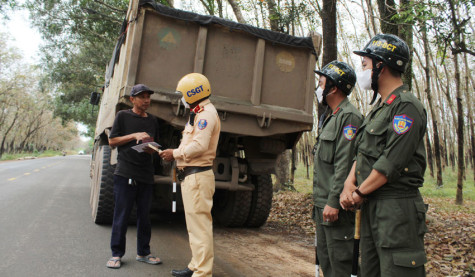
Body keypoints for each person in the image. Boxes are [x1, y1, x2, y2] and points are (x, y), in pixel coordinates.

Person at [339, 34, 428, 276]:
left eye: (365, 64)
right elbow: (362, 153)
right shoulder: (379, 109)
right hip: (371, 204)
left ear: (382, 66)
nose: (362, 71)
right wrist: (349, 182)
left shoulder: (407, 106)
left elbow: (391, 162)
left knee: (396, 270)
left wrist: (358, 192)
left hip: (396, 208)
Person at [160, 73, 221, 277]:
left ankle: (202, 272)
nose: (182, 99)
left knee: (200, 227)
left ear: (193, 93)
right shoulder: (197, 113)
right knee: (194, 227)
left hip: (198, 175)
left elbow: (199, 145)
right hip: (192, 176)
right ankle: (196, 265)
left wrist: (174, 153)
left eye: (183, 94)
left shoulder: (205, 114)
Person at [313, 61, 363, 276]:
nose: (318, 87)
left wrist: (333, 202)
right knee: (327, 262)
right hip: (322, 204)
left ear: (333, 87)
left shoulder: (349, 117)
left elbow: (344, 164)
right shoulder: (329, 116)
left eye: (321, 82)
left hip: (335, 208)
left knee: (340, 265)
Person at [106, 84, 162, 269]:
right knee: (121, 215)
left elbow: (153, 144)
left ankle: (144, 252)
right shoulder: (123, 116)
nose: (146, 100)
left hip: (145, 173)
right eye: (142, 96)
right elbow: (112, 141)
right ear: (132, 99)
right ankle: (116, 254)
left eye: (148, 96)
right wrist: (134, 136)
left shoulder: (153, 120)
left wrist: (151, 148)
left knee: (144, 216)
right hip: (125, 172)